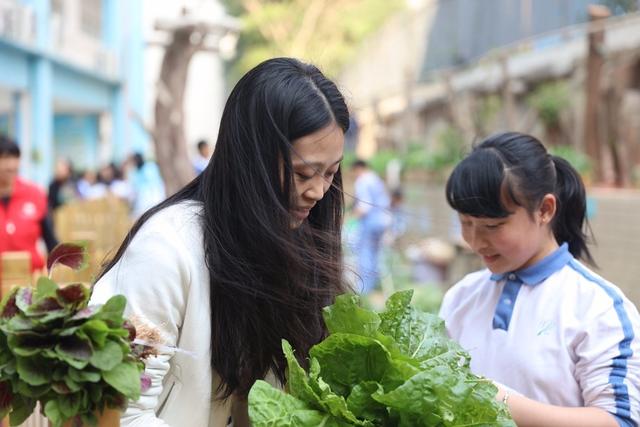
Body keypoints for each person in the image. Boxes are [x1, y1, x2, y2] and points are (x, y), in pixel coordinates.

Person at [90, 57, 349, 426]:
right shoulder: (166, 249)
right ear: (250, 158)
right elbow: (121, 413)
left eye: (331, 173)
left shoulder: (291, 243)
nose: (319, 191)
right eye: (303, 172)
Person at [439, 132, 639, 427]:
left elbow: (620, 420)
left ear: (545, 209)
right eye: (466, 223)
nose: (475, 241)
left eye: (492, 226)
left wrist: (500, 401)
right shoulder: (461, 296)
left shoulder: (598, 308)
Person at [0, 134, 58, 272]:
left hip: (30, 284)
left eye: (15, 158)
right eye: (4, 158)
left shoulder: (35, 194)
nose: (11, 165)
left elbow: (51, 241)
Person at [351, 159, 390, 293]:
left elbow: (364, 207)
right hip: (382, 221)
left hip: (370, 223)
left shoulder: (362, 181)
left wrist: (350, 218)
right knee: (375, 253)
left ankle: (364, 290)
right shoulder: (376, 179)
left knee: (365, 253)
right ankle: (373, 286)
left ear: (358, 169)